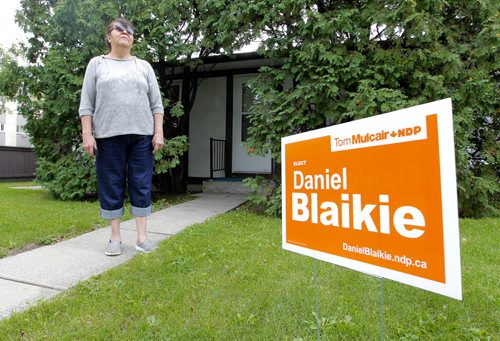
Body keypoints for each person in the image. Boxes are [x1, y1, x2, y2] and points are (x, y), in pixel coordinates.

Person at [79, 18, 164, 256]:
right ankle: (115, 238)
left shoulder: (143, 66)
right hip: (108, 137)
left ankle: (142, 238)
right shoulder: (97, 65)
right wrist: (88, 134)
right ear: (109, 37)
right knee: (111, 185)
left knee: (141, 184)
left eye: (130, 30)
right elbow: (86, 105)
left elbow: (156, 105)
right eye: (119, 28)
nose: (126, 32)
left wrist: (158, 131)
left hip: (142, 137)